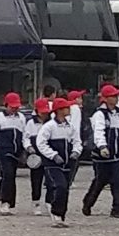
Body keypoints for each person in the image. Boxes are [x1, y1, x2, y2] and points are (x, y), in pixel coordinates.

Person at [80, 83, 119, 220]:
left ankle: (118, 208)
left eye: (116, 96)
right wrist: (102, 146)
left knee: (118, 181)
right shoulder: (100, 114)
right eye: (112, 96)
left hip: (117, 154)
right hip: (103, 155)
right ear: (105, 99)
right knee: (100, 181)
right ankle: (88, 202)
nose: (115, 98)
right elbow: (99, 131)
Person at [33, 94, 78, 223]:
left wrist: (76, 151)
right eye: (66, 107)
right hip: (52, 164)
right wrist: (53, 155)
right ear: (58, 110)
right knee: (60, 186)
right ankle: (55, 211)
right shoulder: (49, 126)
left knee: (66, 188)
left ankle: (61, 215)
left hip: (67, 163)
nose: (68, 109)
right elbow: (41, 143)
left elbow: (77, 140)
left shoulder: (70, 126)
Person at [0, 90, 30, 213]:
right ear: (6, 105)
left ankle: (8, 200)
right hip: (3, 151)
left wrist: (26, 148)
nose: (14, 109)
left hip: (16, 151)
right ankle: (5, 201)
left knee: (10, 176)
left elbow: (25, 135)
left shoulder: (21, 117)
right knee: (8, 174)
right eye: (12, 107)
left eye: (16, 107)